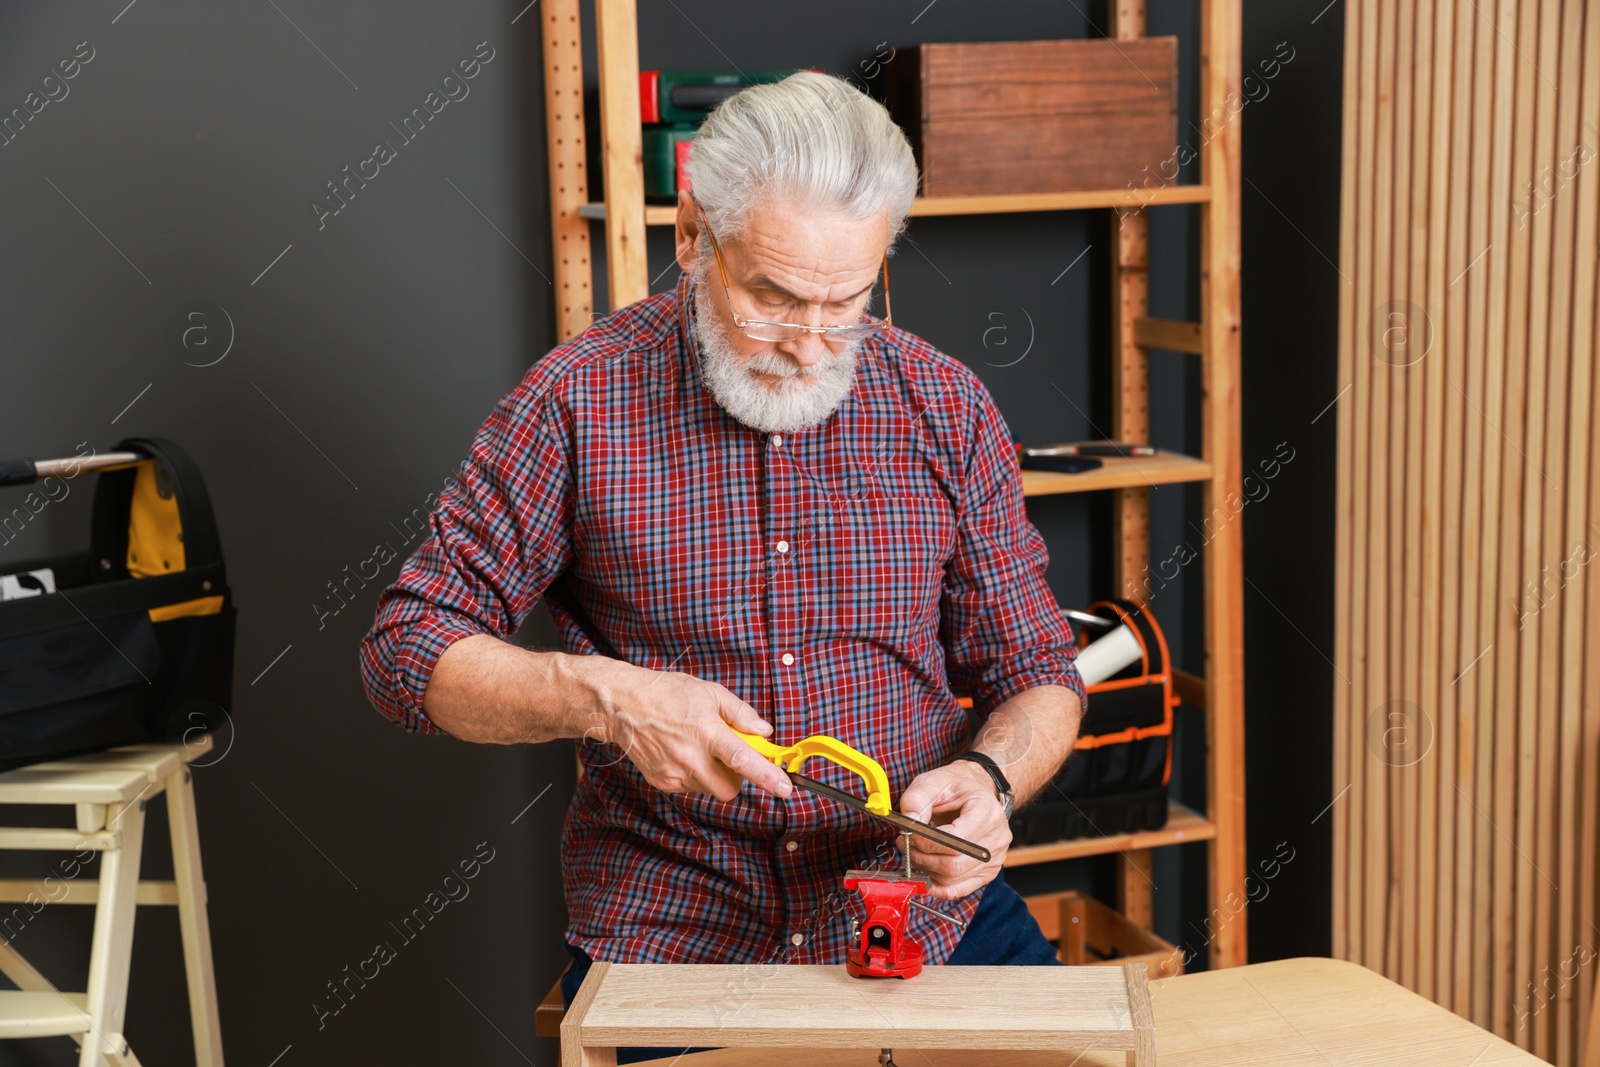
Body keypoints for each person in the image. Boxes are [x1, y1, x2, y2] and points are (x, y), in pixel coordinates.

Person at [358, 70, 1085, 1063]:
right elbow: (404, 651)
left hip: (928, 918)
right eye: (775, 297)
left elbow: (1039, 670)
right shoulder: (576, 402)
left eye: (847, 302)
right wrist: (606, 696)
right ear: (692, 237)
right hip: (676, 942)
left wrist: (991, 780)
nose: (809, 343)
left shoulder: (944, 407)